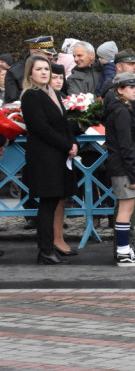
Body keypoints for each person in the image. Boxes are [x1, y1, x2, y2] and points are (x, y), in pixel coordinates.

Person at [19, 55, 79, 265]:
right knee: (47, 203)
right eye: (39, 69)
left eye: (46, 69)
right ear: (30, 73)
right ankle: (45, 250)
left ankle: (50, 246)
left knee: (54, 201)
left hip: (58, 155)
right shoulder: (31, 96)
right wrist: (66, 144)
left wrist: (72, 143)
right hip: (44, 157)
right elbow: (41, 128)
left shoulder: (52, 92)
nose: (44, 72)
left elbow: (64, 123)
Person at [102, 72, 135, 266]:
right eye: (131, 87)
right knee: (126, 208)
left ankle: (125, 250)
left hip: (122, 165)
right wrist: (133, 173)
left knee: (127, 207)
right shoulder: (120, 110)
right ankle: (123, 252)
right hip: (123, 167)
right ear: (119, 89)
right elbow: (126, 144)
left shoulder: (120, 108)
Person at [5, 35, 58, 102]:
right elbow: (12, 102)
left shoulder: (55, 68)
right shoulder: (14, 72)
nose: (51, 57)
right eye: (48, 53)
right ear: (35, 53)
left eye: (46, 69)